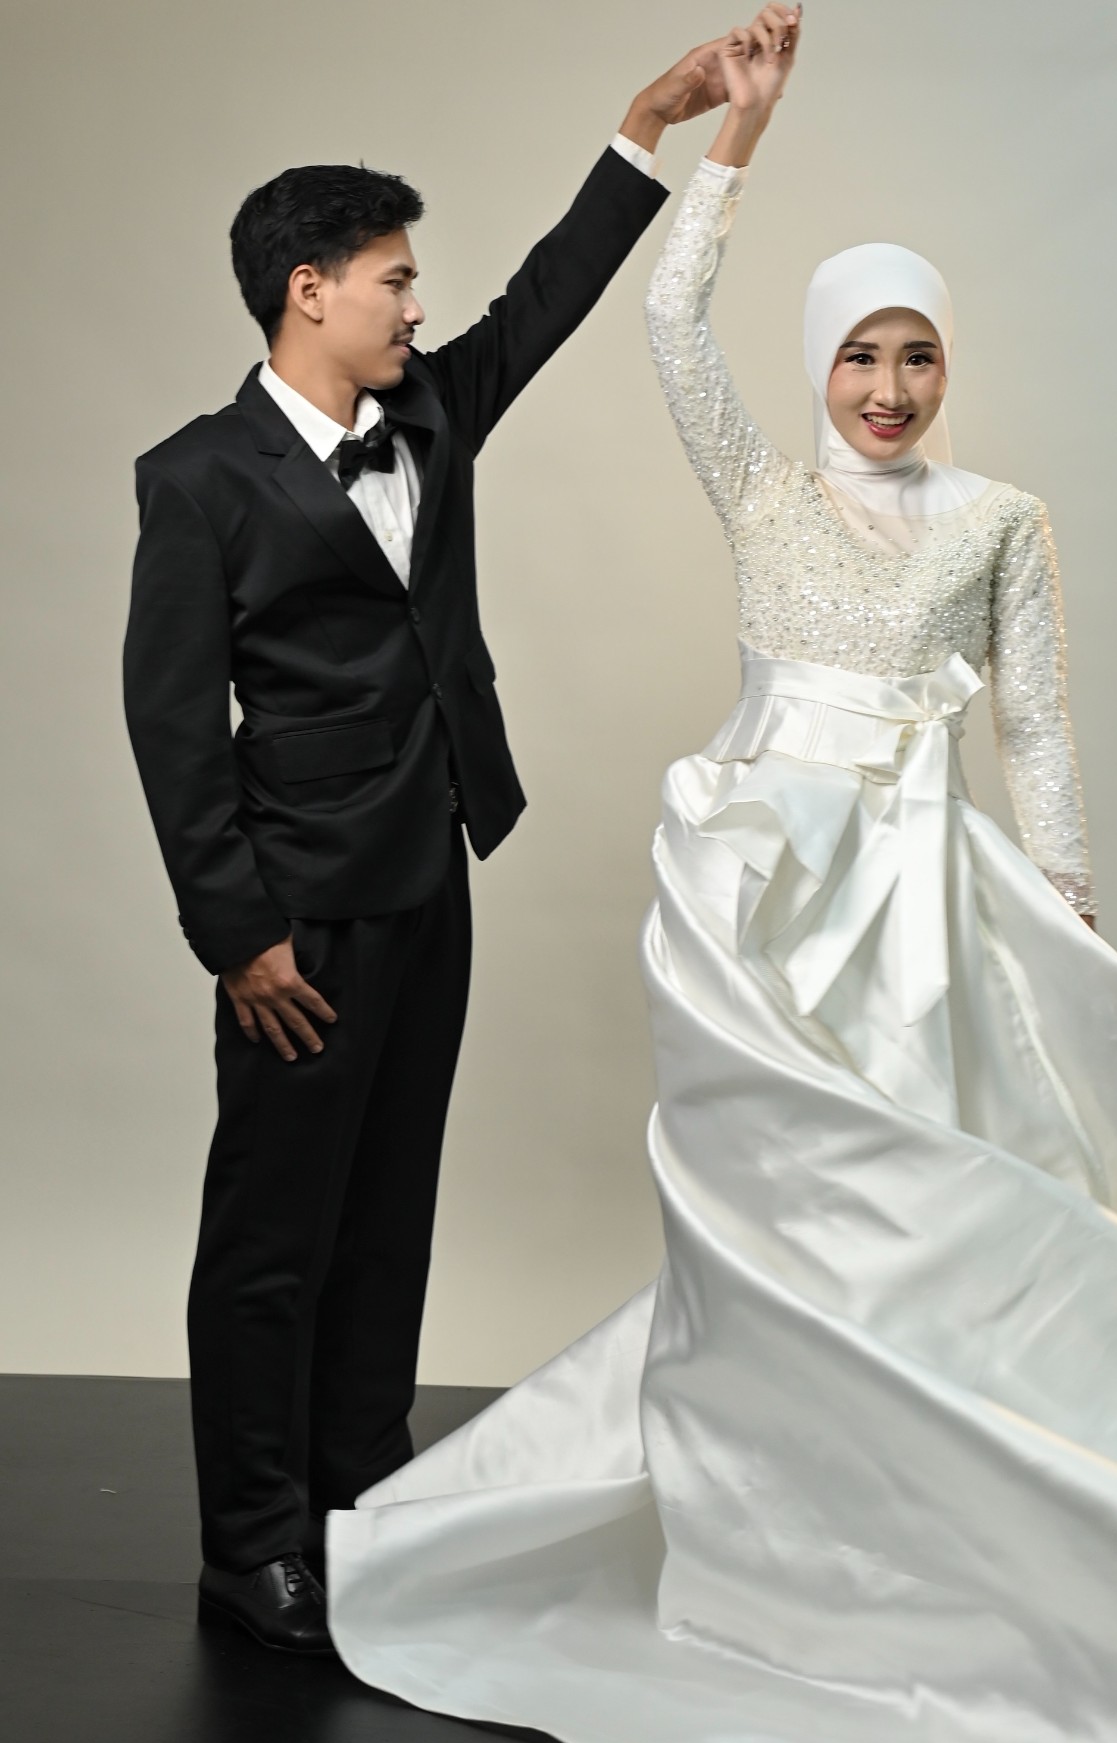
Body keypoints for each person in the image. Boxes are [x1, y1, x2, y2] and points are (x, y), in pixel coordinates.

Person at [327, 9, 1117, 1743]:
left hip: (926, 898)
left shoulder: (1000, 518)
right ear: (817, 367)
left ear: (948, 369)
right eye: (858, 351)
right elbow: (668, 322)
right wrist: (735, 144)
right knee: (790, 1212)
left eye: (916, 353)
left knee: (942, 1203)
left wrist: (1063, 900)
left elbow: (1035, 723)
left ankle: (965, 1508)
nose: (888, 385)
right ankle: (795, 1523)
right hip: (769, 893)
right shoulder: (761, 488)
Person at [121, 31, 746, 1656]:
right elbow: (173, 726)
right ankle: (252, 1547)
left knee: (387, 1218)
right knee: (273, 1241)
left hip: (428, 877)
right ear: (309, 289)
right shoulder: (196, 481)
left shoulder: (432, 414)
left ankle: (358, 1498)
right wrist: (238, 936)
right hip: (297, 921)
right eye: (394, 279)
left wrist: (647, 126)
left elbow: (545, 298)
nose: (417, 305)